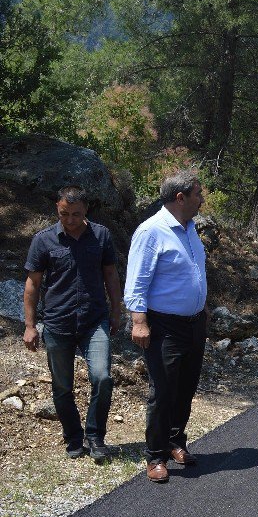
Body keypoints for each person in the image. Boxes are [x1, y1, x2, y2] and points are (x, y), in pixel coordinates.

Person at [23, 186, 122, 463]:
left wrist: (117, 311)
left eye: (75, 214)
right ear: (57, 208)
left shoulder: (101, 236)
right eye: (64, 213)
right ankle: (73, 437)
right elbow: (32, 284)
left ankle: (95, 436)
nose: (69, 219)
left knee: (102, 377)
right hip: (57, 322)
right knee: (62, 387)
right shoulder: (43, 240)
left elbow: (111, 276)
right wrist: (30, 325)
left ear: (86, 210)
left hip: (94, 320)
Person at [124, 171, 207, 483]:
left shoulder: (190, 229)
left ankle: (176, 442)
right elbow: (137, 282)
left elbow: (194, 272)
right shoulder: (151, 231)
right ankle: (156, 455)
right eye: (198, 194)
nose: (202, 199)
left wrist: (203, 305)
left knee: (186, 386)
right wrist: (139, 321)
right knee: (163, 390)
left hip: (194, 323)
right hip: (164, 326)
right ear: (181, 198)